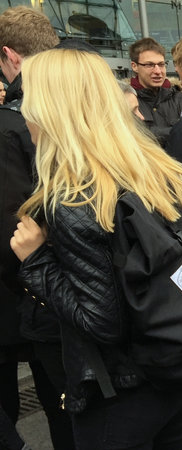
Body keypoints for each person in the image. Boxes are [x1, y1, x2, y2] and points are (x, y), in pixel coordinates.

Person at [11, 48, 182, 450]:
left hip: (120, 392)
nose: (23, 110)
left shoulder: (75, 197)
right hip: (174, 365)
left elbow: (101, 322)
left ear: (51, 109)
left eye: (29, 97)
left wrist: (36, 261)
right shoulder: (146, 167)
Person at [0, 7, 75, 450]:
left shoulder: (13, 123)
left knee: (62, 407)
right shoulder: (84, 105)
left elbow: (11, 233)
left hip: (38, 296)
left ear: (9, 54)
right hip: (86, 289)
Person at [129, 37, 182, 147]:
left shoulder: (181, 99)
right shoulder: (126, 101)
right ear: (134, 66)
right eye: (149, 65)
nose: (157, 71)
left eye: (161, 64)